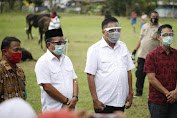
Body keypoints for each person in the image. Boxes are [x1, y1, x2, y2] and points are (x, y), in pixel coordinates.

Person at [85, 17, 135, 113]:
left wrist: (130, 93)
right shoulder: (94, 49)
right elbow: (90, 76)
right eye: (111, 30)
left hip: (121, 100)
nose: (115, 33)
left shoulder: (123, 46)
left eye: (117, 30)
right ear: (103, 32)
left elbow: (128, 71)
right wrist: (95, 100)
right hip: (104, 102)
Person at [35, 28, 78, 112]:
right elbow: (47, 87)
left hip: (71, 108)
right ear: (48, 44)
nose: (62, 45)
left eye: (63, 42)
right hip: (53, 110)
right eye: (58, 43)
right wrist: (66, 101)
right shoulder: (43, 62)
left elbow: (74, 80)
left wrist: (75, 98)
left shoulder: (67, 59)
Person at [144, 24, 177, 118]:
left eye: (171, 34)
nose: (169, 37)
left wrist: (175, 92)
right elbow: (151, 79)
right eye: (166, 35)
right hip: (157, 101)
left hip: (175, 99)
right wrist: (168, 94)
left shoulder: (176, 54)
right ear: (159, 37)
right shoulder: (151, 56)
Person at [132, 11, 160, 97]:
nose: (154, 18)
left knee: (154, 77)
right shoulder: (144, 26)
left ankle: (153, 93)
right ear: (149, 17)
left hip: (154, 57)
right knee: (140, 74)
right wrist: (134, 51)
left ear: (158, 18)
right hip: (142, 55)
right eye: (153, 16)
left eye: (156, 16)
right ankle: (138, 93)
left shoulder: (160, 28)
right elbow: (140, 39)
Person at [0, 37, 26, 103]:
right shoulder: (1, 70)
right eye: (16, 50)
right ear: (4, 52)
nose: (19, 52)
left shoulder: (19, 70)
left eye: (20, 50)